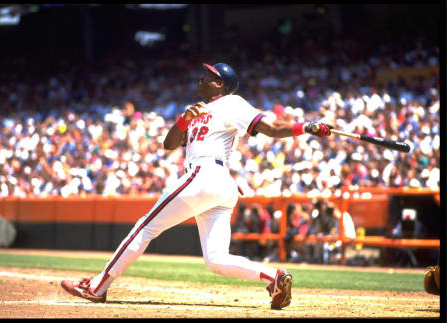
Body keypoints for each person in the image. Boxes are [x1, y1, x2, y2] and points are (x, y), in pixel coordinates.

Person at [60, 62, 332, 310]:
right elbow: (169, 144)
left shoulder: (232, 102)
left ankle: (97, 287)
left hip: (206, 173)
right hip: (218, 184)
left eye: (209, 76)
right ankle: (274, 277)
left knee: (145, 226)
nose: (202, 78)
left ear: (221, 84)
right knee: (215, 259)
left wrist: (306, 127)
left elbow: (272, 129)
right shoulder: (198, 111)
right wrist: (183, 120)